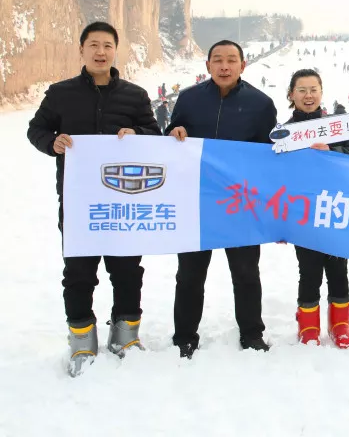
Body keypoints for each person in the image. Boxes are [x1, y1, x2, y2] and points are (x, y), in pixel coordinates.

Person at [27, 21, 161, 376]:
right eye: (93, 45)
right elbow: (36, 129)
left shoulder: (135, 95)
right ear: (82, 50)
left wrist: (137, 133)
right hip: (78, 201)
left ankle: (126, 336)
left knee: (129, 272)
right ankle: (82, 344)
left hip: (125, 204)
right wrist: (51, 142)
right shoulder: (60, 93)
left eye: (107, 46)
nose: (100, 52)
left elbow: (154, 134)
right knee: (79, 275)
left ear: (116, 50)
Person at [166, 40, 278, 357]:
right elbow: (172, 134)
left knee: (245, 273)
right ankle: (185, 336)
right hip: (197, 201)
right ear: (208, 66)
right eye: (218, 60)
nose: (224, 66)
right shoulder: (188, 98)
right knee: (189, 274)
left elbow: (270, 155)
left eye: (231, 60)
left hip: (240, 203)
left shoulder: (261, 103)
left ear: (243, 65)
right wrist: (173, 131)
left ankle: (252, 334)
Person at [284, 69, 349, 348]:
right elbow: (273, 174)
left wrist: (332, 154)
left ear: (322, 92)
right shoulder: (283, 131)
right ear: (291, 94)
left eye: (313, 89)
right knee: (308, 270)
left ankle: (340, 323)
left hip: (335, 208)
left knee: (337, 268)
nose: (308, 96)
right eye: (302, 90)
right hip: (302, 211)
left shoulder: (337, 126)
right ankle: (308, 325)